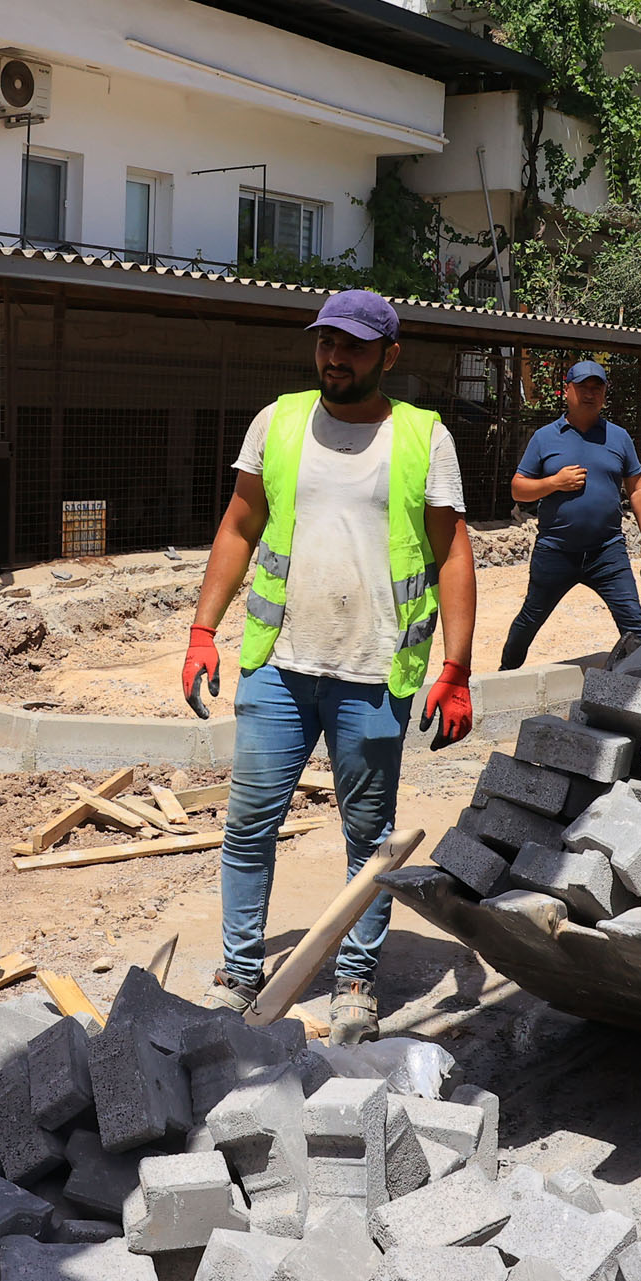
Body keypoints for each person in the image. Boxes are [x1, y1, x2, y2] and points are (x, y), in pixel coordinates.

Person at [180, 288, 477, 1045]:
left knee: (367, 836)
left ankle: (355, 980)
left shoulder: (422, 436)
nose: (333, 356)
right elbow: (239, 523)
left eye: (350, 345)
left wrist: (458, 667)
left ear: (388, 354)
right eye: (325, 342)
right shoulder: (278, 421)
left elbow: (452, 553)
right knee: (249, 826)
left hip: (374, 671)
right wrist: (201, 629)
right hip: (279, 664)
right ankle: (240, 971)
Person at [498, 360, 641, 668]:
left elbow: (637, 488)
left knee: (633, 624)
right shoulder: (545, 437)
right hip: (556, 551)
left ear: (604, 394)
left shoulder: (618, 437)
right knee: (530, 618)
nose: (590, 394)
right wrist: (553, 483)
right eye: (583, 387)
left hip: (607, 552)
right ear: (567, 391)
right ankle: (504, 674)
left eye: (596, 387)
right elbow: (518, 489)